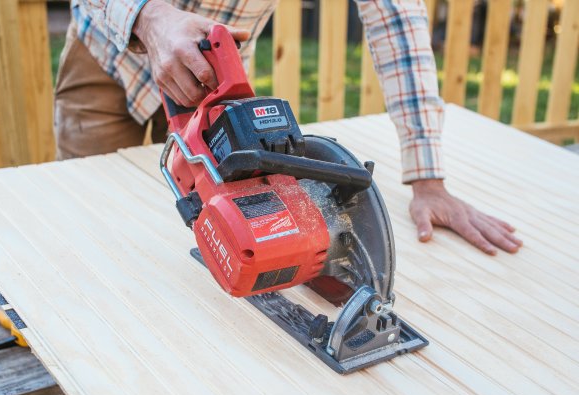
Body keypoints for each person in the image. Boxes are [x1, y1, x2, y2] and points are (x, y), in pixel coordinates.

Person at [55, 0, 522, 255]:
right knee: (89, 233)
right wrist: (150, 18)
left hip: (214, 74)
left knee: (222, 226)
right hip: (110, 54)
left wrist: (429, 179)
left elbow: (397, 21)